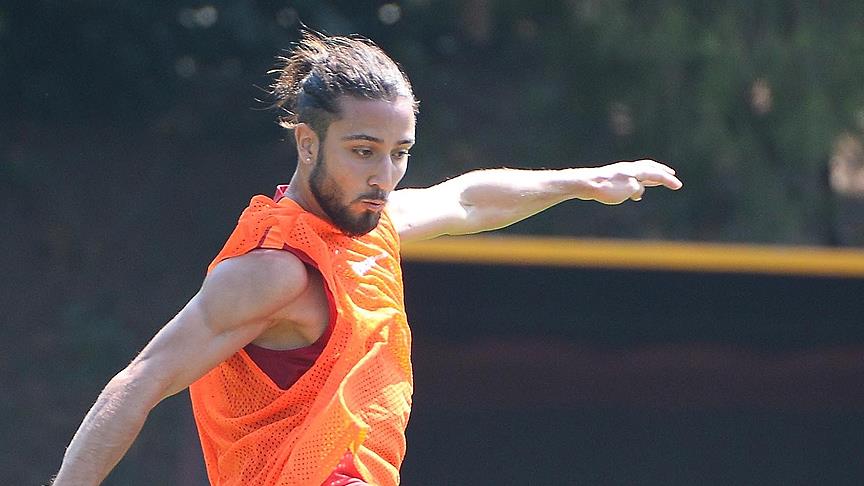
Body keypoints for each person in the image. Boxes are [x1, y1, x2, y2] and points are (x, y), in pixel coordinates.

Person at [52, 31, 682, 486]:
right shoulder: (274, 270)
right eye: (362, 151)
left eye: (399, 152)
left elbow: (466, 199)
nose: (385, 175)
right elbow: (138, 384)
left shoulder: (369, 226)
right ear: (307, 144)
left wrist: (580, 181)